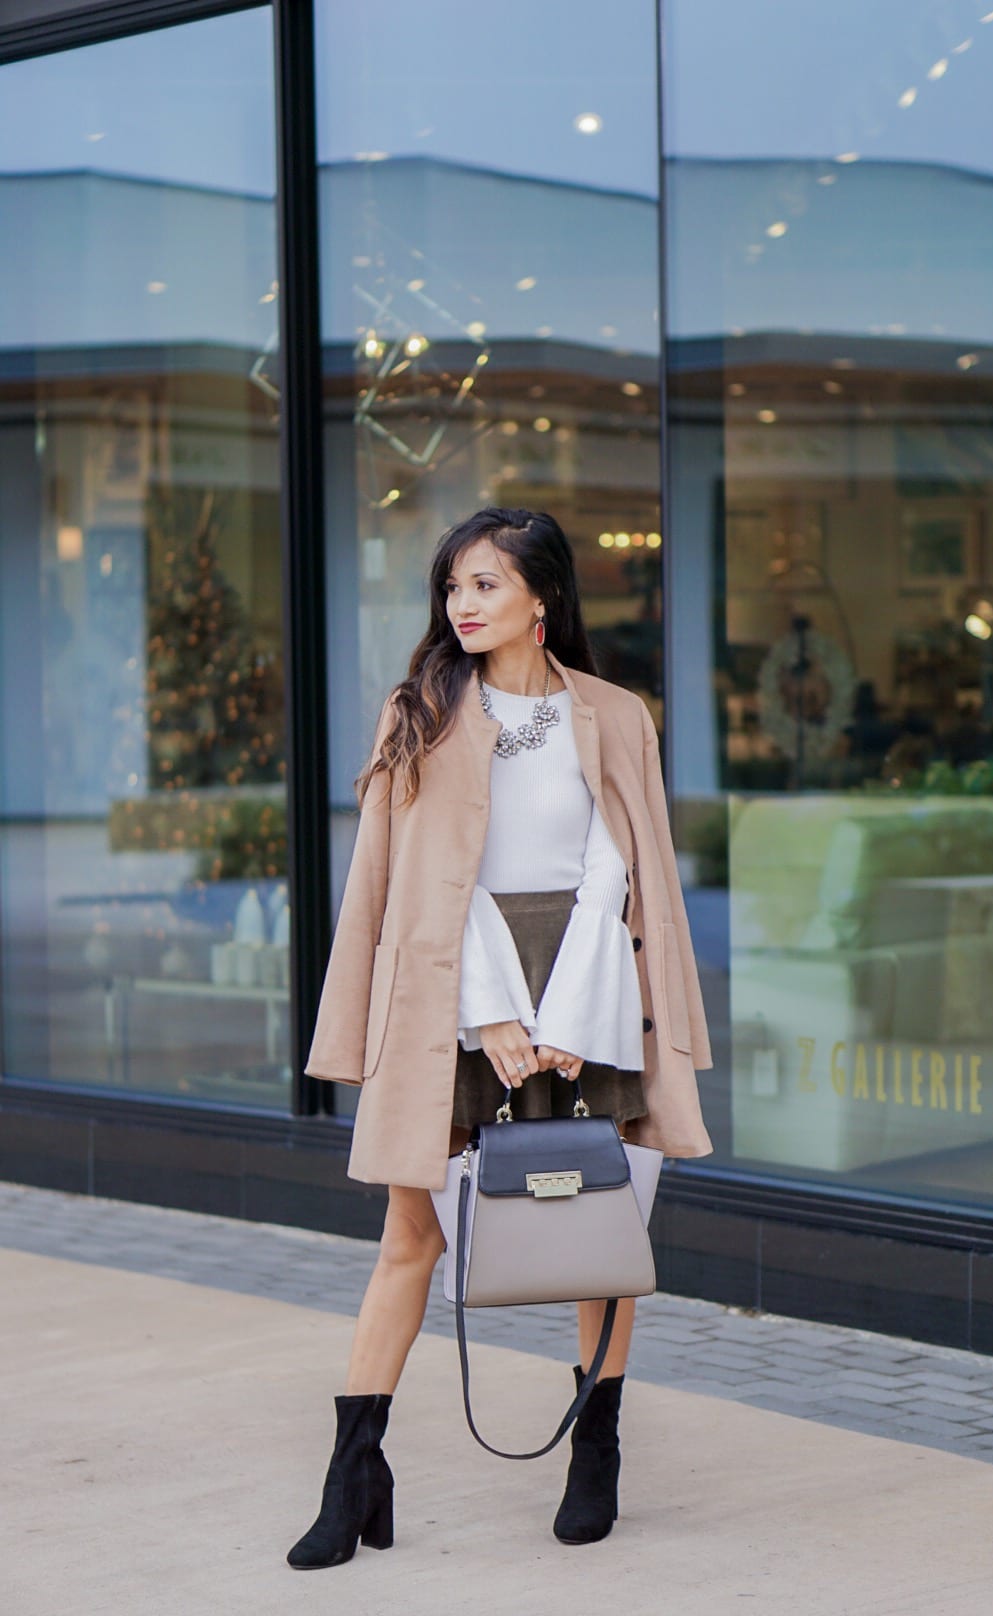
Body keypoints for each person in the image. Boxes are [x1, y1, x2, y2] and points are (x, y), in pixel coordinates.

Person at [287, 506, 713, 1571]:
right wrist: (489, 1009)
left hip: (586, 988)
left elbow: (630, 867)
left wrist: (569, 1015)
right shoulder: (421, 709)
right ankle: (354, 1469)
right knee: (410, 1238)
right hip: (453, 994)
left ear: (542, 599)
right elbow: (409, 883)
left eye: (484, 584)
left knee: (590, 1233)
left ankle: (595, 1447)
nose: (462, 605)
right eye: (453, 588)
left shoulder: (615, 714)